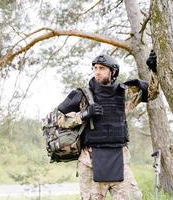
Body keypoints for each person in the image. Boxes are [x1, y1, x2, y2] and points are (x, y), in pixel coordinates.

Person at [57, 51, 159, 200]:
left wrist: (154, 70)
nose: (97, 72)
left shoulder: (124, 92)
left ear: (113, 72)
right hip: (90, 162)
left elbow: (152, 93)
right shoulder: (82, 96)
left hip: (120, 160)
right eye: (95, 68)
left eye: (102, 68)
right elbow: (59, 119)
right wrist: (84, 115)